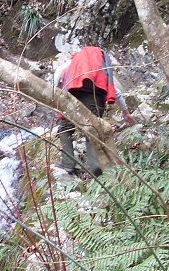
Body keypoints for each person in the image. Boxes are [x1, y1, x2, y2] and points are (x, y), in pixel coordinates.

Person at [54, 46, 135, 177]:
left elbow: (57, 84)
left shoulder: (68, 65)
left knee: (64, 130)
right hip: (96, 98)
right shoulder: (99, 67)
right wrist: (126, 112)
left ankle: (68, 164)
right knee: (91, 131)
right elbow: (116, 92)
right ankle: (95, 166)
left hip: (73, 96)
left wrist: (58, 105)